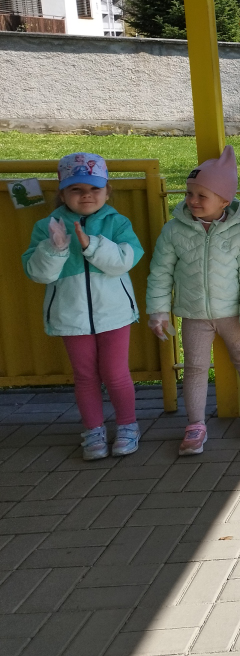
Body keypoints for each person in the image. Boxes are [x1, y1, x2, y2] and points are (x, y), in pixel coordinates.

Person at [22, 154, 144, 460]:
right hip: (70, 315)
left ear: (107, 191)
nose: (86, 195)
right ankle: (93, 430)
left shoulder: (118, 222)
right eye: (76, 189)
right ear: (62, 194)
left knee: (115, 373)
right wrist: (55, 250)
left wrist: (91, 245)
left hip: (114, 314)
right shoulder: (46, 226)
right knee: (85, 376)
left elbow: (125, 261)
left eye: (94, 188)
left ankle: (128, 425)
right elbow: (38, 274)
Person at [146, 146, 240, 455]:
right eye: (189, 193)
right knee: (195, 368)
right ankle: (196, 424)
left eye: (202, 195)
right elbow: (160, 272)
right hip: (194, 315)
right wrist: (158, 310)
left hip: (233, 315)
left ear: (225, 200)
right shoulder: (173, 230)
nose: (193, 200)